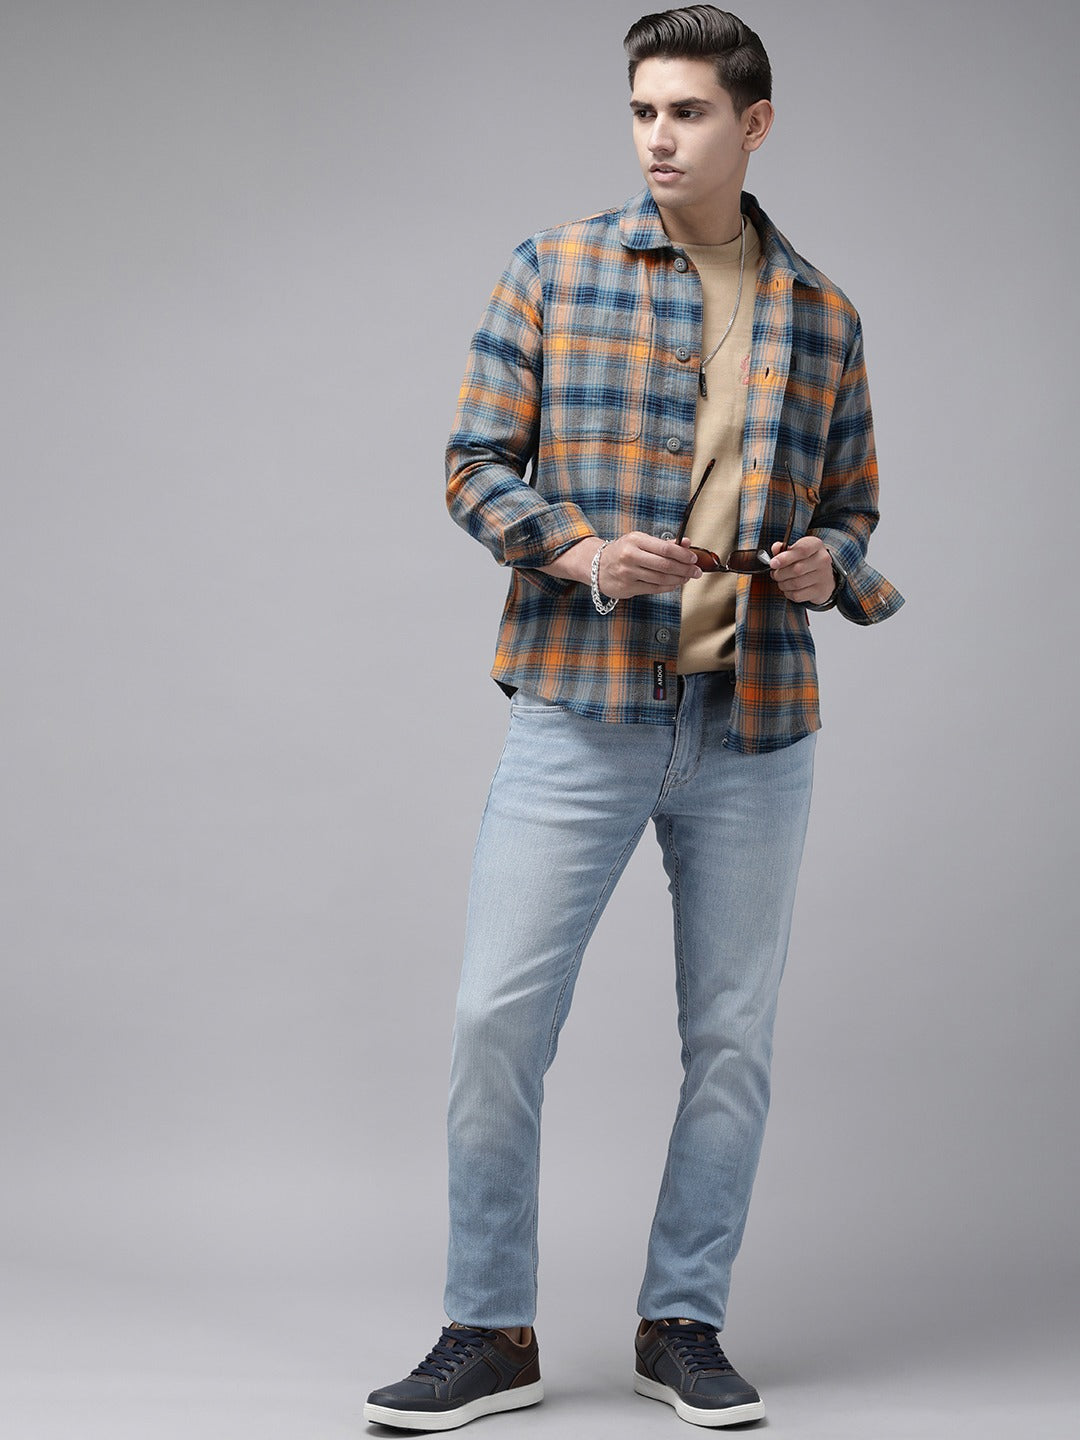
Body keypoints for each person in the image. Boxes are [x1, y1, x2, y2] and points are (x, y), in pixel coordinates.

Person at [364, 4, 903, 1431]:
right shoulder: (554, 267)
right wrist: (584, 552)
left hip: (755, 725)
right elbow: (472, 464)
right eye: (642, 112)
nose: (659, 138)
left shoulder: (823, 316)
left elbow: (855, 514)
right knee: (497, 1016)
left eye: (688, 112)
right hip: (581, 710)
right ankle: (491, 1329)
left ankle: (684, 1323)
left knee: (732, 1038)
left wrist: (829, 566)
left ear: (754, 124)